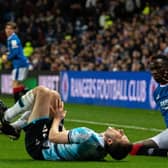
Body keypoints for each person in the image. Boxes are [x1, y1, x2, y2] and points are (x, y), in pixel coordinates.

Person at [0, 85, 132, 161]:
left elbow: (53, 137)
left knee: (42, 92)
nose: (121, 130)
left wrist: (57, 119)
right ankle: (15, 128)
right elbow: (66, 143)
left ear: (109, 141)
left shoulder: (87, 135)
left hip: (39, 146)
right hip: (50, 145)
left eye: (121, 135)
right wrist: (58, 121)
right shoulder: (100, 150)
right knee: (55, 96)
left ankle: (5, 116)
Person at [129, 54, 168, 157]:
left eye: (159, 68)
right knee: (134, 147)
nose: (154, 72)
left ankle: (157, 152)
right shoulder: (157, 93)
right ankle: (156, 152)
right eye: (152, 69)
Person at [2, 21, 29, 102]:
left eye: (10, 29)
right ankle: (31, 96)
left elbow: (15, 52)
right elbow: (13, 50)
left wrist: (7, 58)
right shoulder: (10, 38)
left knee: (15, 84)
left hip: (20, 64)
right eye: (6, 28)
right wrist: (7, 54)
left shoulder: (13, 39)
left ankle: (17, 104)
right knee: (18, 84)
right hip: (19, 64)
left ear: (14, 30)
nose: (7, 30)